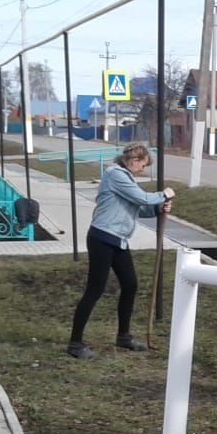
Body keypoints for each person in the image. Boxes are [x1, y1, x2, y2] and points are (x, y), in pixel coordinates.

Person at [67, 143, 174, 360]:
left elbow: (139, 208)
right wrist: (164, 194)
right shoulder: (115, 175)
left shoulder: (126, 178)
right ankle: (75, 343)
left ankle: (123, 337)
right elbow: (143, 198)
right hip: (102, 238)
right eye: (143, 165)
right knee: (94, 290)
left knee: (130, 284)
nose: (143, 170)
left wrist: (158, 208)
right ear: (134, 161)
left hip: (118, 240)